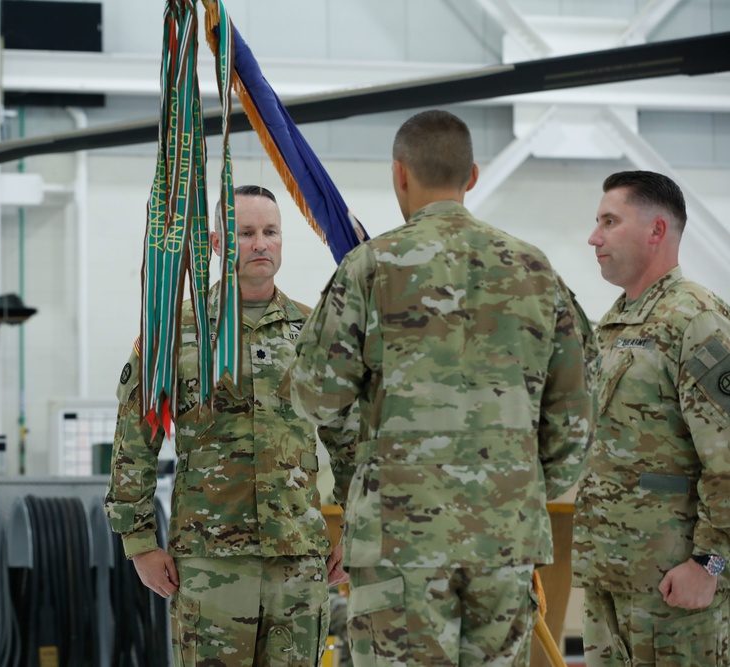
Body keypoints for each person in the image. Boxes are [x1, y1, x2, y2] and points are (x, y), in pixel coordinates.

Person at [288, 109, 595, 666]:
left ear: (399, 174)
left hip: (398, 540)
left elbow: (317, 397)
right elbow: (574, 419)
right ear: (472, 176)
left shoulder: (370, 267)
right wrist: (515, 486)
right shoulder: (536, 271)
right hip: (505, 538)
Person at [105, 184, 350, 667]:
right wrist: (139, 544)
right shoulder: (175, 332)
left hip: (298, 560)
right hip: (210, 561)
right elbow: (134, 442)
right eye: (245, 233)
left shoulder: (315, 330)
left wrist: (357, 526)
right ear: (217, 243)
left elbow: (350, 436)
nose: (260, 243)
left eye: (270, 231)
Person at [573, 170, 730, 666]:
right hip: (611, 581)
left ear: (656, 231)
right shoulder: (615, 324)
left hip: (674, 592)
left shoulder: (696, 320)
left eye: (609, 221)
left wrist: (710, 565)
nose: (594, 237)